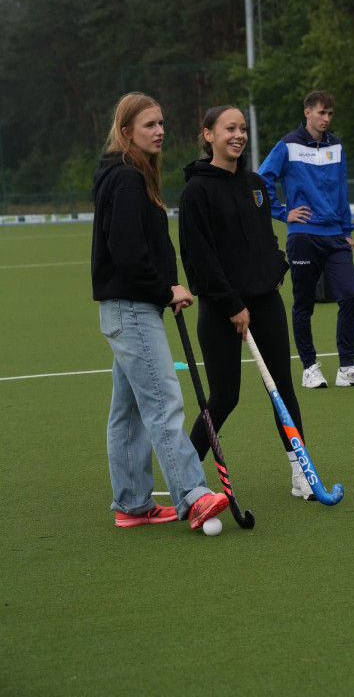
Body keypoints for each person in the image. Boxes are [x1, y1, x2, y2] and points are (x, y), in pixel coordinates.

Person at [91, 92, 229, 529]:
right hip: (132, 309)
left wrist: (163, 287)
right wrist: (164, 289)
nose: (160, 131)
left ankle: (132, 504)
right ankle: (193, 493)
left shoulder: (126, 174)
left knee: (129, 413)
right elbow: (128, 250)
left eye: (162, 123)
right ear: (126, 130)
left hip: (124, 309)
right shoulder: (128, 178)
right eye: (149, 124)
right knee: (164, 403)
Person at [178, 105, 315, 500]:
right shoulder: (196, 191)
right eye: (229, 128)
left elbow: (266, 241)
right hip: (222, 308)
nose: (238, 135)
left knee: (283, 390)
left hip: (265, 302)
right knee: (224, 397)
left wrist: (276, 272)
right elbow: (199, 258)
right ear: (209, 135)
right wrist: (232, 304)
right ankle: (184, 477)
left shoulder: (255, 184)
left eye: (242, 129)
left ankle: (300, 473)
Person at [258, 90, 354, 389]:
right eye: (321, 113)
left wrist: (347, 231)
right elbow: (261, 178)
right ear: (307, 113)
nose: (326, 118)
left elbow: (342, 190)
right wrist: (283, 212)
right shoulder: (288, 144)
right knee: (303, 303)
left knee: (350, 295)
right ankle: (309, 367)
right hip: (303, 237)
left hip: (335, 236)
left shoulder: (336, 145)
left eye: (330, 113)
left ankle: (347, 367)